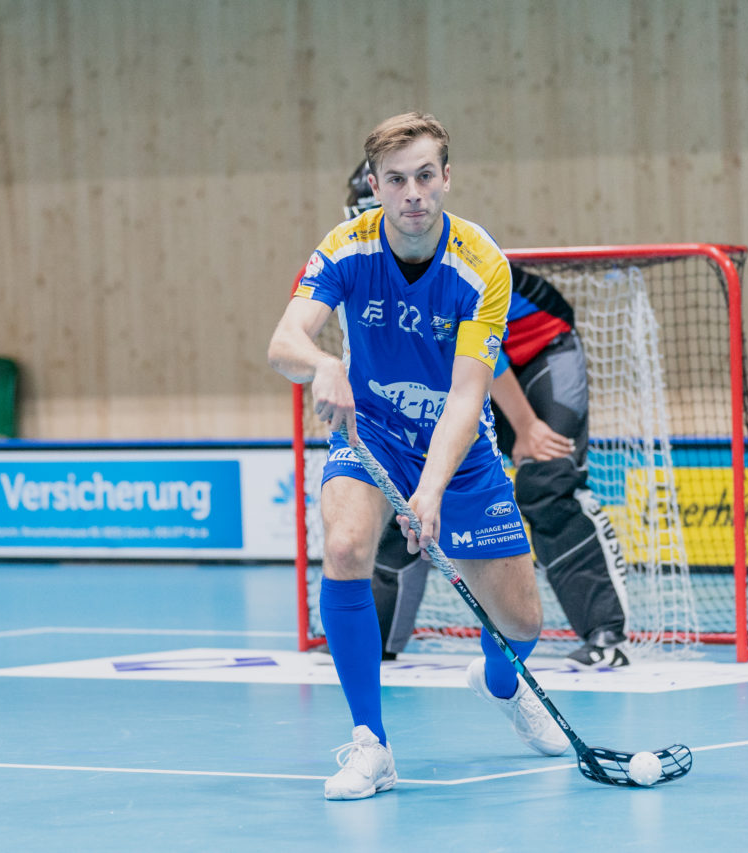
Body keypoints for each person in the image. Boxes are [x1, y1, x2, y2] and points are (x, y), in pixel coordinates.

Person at [268, 112, 567, 801]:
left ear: (447, 178)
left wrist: (431, 490)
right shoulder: (344, 249)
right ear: (376, 184)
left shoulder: (481, 264)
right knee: (344, 548)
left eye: (425, 176)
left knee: (523, 621)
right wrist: (321, 363)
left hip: (457, 455)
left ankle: (499, 682)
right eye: (396, 179)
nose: (412, 194)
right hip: (371, 436)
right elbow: (284, 340)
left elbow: (468, 396)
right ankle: (371, 743)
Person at [343, 162, 632, 671]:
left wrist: (525, 428)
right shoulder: (363, 255)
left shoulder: (452, 255)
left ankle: (606, 634)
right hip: (464, 373)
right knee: (408, 487)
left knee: (546, 484)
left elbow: (486, 356)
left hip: (538, 351)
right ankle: (381, 639)